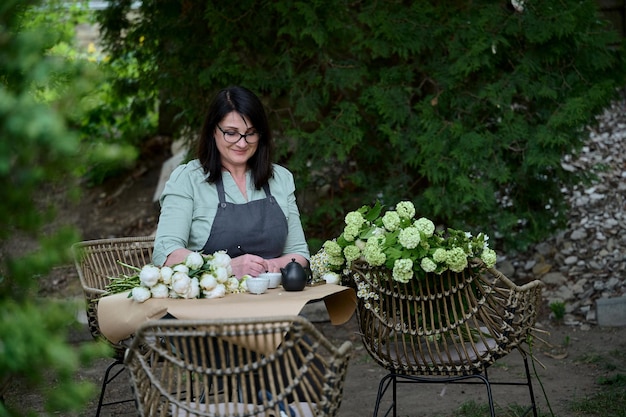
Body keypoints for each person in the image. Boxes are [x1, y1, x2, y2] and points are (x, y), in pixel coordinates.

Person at [153, 86, 310, 277]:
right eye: (231, 132)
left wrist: (270, 266)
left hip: (273, 298)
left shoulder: (280, 178)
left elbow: (299, 253)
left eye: (250, 133)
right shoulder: (187, 179)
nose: (242, 143)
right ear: (213, 130)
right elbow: (166, 255)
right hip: (210, 302)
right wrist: (226, 267)